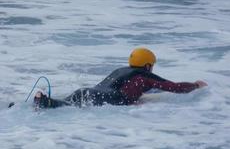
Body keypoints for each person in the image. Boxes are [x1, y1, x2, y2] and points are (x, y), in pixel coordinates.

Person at [33, 48, 207, 109]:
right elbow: (175, 87)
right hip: (103, 98)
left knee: (63, 104)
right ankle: (45, 102)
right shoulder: (144, 75)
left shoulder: (121, 71)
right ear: (147, 65)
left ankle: (41, 101)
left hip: (87, 91)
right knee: (64, 107)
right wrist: (196, 85)